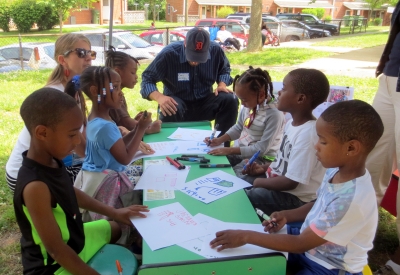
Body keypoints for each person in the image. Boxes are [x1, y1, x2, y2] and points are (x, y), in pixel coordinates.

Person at [210, 100, 384, 275]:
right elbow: (319, 203)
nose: (316, 146)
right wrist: (288, 215)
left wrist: (245, 236)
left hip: (328, 266)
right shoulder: (336, 170)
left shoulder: (352, 200)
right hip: (308, 245)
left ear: (351, 147)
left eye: (323, 142)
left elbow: (301, 244)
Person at [14, 88, 149, 275]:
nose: (78, 140)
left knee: (116, 227)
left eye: (79, 132)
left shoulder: (51, 160)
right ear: (42, 133)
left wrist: (114, 212)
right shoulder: (35, 187)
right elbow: (56, 250)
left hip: (76, 236)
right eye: (71, 134)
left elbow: (70, 192)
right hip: (54, 264)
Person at [5, 33, 95, 192]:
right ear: (62, 60)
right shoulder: (56, 95)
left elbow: (83, 134)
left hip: (48, 165)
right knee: (102, 177)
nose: (89, 58)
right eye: (81, 53)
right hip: (25, 175)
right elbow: (81, 149)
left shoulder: (73, 88)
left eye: (90, 53)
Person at [244, 68, 329, 215]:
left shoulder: (308, 134)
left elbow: (291, 181)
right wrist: (263, 169)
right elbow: (284, 162)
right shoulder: (291, 124)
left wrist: (259, 182)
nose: (279, 93)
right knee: (241, 180)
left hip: (296, 199)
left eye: (284, 88)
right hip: (279, 184)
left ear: (300, 98)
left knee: (246, 196)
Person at [140, 27, 239, 147]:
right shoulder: (169, 54)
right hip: (178, 103)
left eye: (200, 57)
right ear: (185, 44)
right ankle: (169, 147)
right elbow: (147, 79)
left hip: (205, 102)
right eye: (192, 56)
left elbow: (224, 70)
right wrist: (159, 97)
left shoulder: (216, 50)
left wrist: (222, 84)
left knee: (230, 99)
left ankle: (222, 145)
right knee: (170, 106)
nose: (195, 62)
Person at [365, 1, 400, 274]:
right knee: (371, 158)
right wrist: (386, 61)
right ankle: (360, 227)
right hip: (391, 75)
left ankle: (396, 263)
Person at [205, 66, 285, 183]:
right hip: (244, 152)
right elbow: (238, 127)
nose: (242, 103)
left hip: (261, 159)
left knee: (232, 179)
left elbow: (261, 149)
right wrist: (219, 140)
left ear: (261, 95)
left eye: (245, 100)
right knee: (213, 160)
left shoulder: (274, 115)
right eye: (240, 99)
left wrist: (229, 150)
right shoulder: (249, 106)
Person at [105, 47, 162, 135]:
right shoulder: (112, 95)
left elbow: (122, 121)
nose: (136, 77)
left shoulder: (117, 93)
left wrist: (135, 121)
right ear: (118, 72)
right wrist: (149, 129)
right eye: (132, 72)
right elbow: (125, 123)